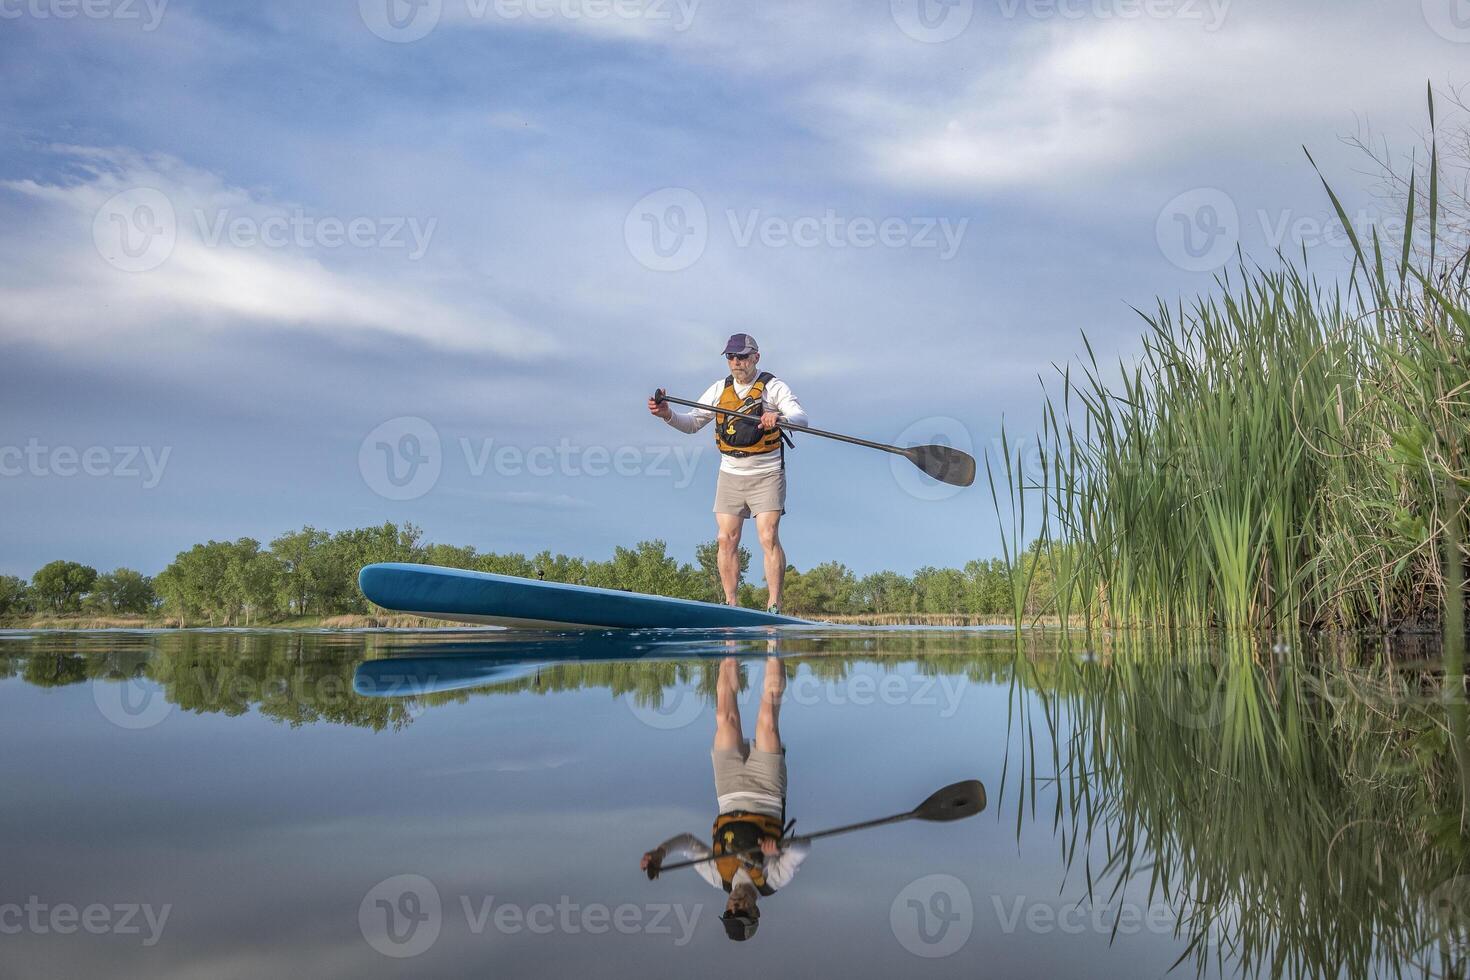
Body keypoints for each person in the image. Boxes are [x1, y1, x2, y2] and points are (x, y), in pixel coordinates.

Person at [640, 656, 808, 941]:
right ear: (755, 913)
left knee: (724, 718)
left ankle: (730, 643)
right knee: (767, 722)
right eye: (740, 912)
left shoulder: (719, 877)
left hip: (728, 792)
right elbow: (803, 847)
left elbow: (688, 843)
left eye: (729, 912)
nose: (734, 907)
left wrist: (660, 852)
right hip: (766, 792)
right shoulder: (773, 880)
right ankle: (773, 644)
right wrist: (779, 850)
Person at [647, 334, 808, 613]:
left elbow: (801, 418)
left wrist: (779, 418)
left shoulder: (773, 387)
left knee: (767, 535)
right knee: (725, 538)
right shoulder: (719, 389)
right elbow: (692, 423)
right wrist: (667, 415)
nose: (736, 362)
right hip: (730, 473)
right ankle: (730, 604)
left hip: (766, 473)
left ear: (756, 357)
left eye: (742, 357)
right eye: (731, 357)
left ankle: (774, 605)